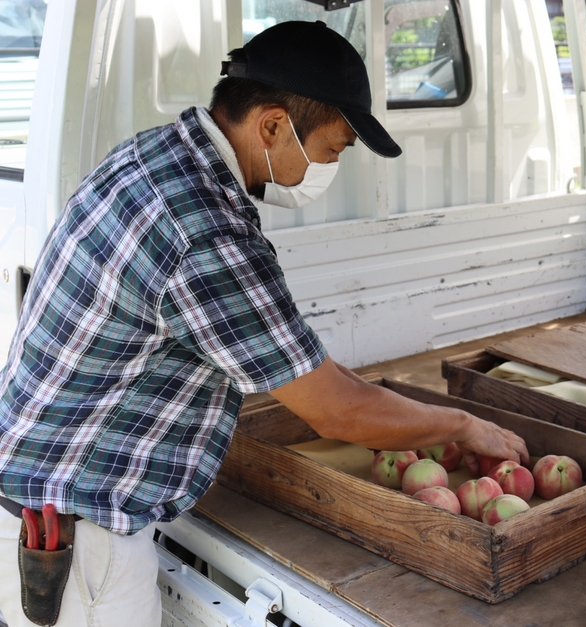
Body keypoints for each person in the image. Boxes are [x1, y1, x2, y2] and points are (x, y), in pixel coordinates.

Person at [0, 20, 528, 627]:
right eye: (330, 150)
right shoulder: (203, 228)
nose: (326, 168)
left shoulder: (157, 155)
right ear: (273, 124)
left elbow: (290, 362)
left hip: (37, 484)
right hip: (80, 539)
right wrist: (460, 425)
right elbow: (336, 412)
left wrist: (353, 387)